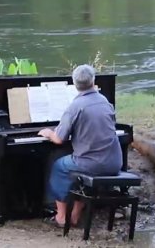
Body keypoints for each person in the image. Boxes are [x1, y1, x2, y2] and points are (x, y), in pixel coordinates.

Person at [38, 64, 123, 227]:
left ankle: (61, 217)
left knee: (58, 166)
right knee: (79, 171)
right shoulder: (105, 101)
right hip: (114, 162)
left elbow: (58, 139)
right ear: (94, 81)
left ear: (74, 83)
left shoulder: (75, 106)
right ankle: (75, 215)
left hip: (92, 164)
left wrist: (48, 132)